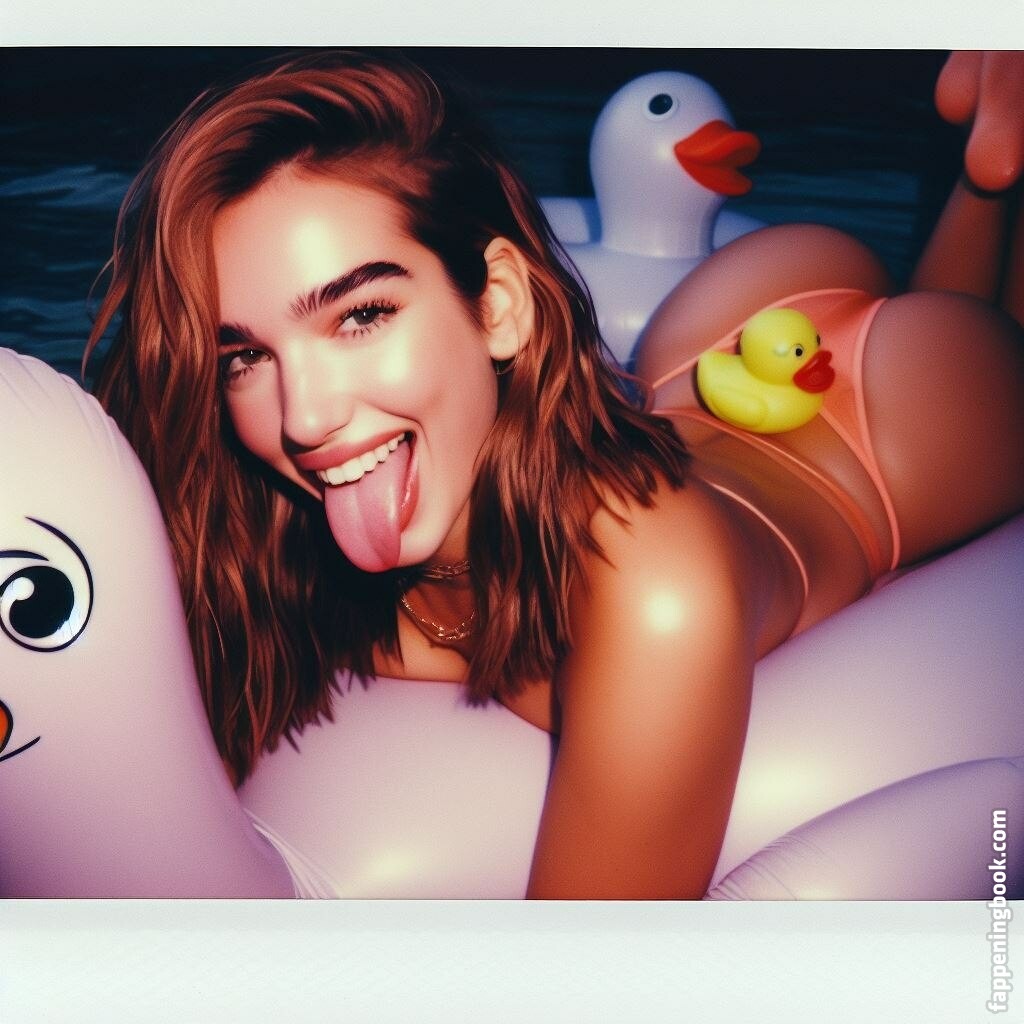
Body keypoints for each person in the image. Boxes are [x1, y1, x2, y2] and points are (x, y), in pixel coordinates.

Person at [84, 50, 1024, 899]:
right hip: (706, 351)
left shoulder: (652, 587)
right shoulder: (273, 537)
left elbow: (588, 971)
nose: (305, 417)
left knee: (990, 327)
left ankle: (991, 163)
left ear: (498, 305)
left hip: (878, 416)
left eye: (360, 316)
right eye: (244, 357)